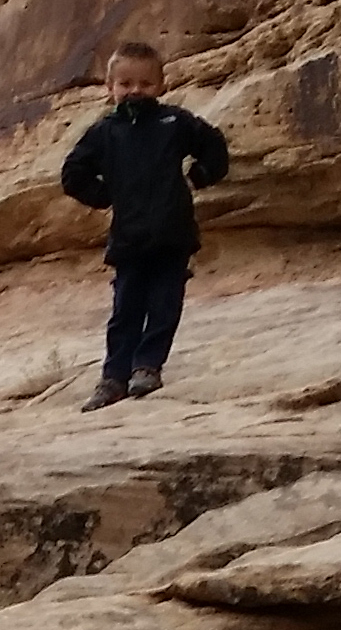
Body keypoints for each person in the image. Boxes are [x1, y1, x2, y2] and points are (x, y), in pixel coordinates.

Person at [59, 39, 230, 404]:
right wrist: (105, 196)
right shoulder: (105, 132)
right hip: (129, 238)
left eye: (145, 84)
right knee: (126, 309)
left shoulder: (174, 122)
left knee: (165, 305)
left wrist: (197, 176)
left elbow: (214, 146)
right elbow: (73, 173)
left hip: (173, 234)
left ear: (161, 85)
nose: (135, 91)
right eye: (126, 84)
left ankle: (148, 367)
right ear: (110, 88)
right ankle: (113, 377)